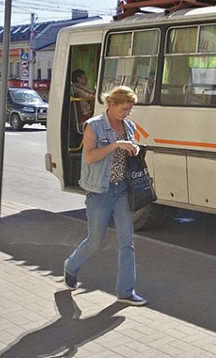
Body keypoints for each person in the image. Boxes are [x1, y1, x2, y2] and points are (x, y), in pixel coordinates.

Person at [63, 86, 147, 306]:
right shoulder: (93, 126)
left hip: (122, 190)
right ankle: (71, 266)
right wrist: (116, 145)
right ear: (111, 104)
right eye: (124, 109)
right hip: (100, 190)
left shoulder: (128, 126)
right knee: (95, 241)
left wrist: (134, 149)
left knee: (127, 242)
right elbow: (90, 158)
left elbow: (127, 151)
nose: (126, 114)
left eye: (129, 110)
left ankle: (126, 291)